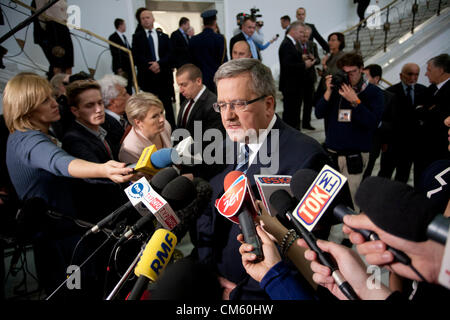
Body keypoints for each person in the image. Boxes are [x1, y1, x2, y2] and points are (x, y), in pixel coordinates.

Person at [195, 58, 329, 300]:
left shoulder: (308, 157)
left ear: (268, 104)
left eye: (238, 104)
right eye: (222, 105)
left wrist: (239, 295)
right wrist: (208, 277)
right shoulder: (222, 149)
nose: (228, 116)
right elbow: (209, 215)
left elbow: (304, 251)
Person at [3, 73, 133, 298]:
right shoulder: (29, 140)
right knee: (75, 293)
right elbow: (59, 162)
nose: (55, 103)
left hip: (68, 239)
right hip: (59, 247)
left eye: (52, 97)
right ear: (26, 108)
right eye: (45, 101)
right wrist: (104, 169)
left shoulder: (39, 132)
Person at [315, 53, 385, 209]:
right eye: (344, 72)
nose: (348, 76)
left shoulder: (373, 92)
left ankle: (350, 232)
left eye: (352, 72)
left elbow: (373, 123)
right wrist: (327, 92)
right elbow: (318, 113)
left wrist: (356, 101)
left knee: (352, 199)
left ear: (361, 69)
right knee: (325, 199)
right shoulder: (336, 90)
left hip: (355, 156)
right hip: (332, 153)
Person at [378, 63, 427, 184]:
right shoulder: (389, 92)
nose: (413, 78)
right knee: (385, 174)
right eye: (410, 74)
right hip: (392, 143)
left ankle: (397, 200)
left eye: (416, 74)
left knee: (403, 176)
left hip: (411, 145)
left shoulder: (423, 91)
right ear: (401, 75)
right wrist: (383, 142)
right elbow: (384, 118)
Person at [132, 9, 176, 128]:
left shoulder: (164, 36)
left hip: (163, 77)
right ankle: (152, 130)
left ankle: (174, 132)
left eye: (148, 17)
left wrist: (159, 64)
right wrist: (150, 65)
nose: (146, 20)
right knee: (149, 108)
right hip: (147, 78)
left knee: (167, 107)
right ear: (140, 21)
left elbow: (170, 54)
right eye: (143, 18)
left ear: (153, 19)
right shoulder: (137, 37)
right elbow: (136, 56)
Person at [415, 54, 450, 186]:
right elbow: (417, 109)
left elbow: (439, 117)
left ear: (440, 70)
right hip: (423, 149)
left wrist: (426, 111)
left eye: (429, 70)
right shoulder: (430, 89)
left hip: (439, 150)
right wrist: (427, 111)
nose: (425, 74)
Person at [361, 64, 395, 180]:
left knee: (365, 177)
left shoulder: (388, 97)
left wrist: (376, 123)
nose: (362, 79)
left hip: (372, 145)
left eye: (365, 76)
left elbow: (391, 124)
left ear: (376, 79)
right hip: (351, 145)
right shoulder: (353, 93)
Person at [119, 92, 172, 165]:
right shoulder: (129, 150)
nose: (162, 119)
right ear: (138, 122)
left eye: (161, 112)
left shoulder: (165, 126)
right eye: (154, 116)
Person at [279, 21, 314, 130]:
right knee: (291, 114)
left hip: (294, 86)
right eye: (300, 32)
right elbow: (287, 65)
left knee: (293, 113)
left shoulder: (290, 43)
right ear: (293, 31)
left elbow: (291, 59)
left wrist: (301, 57)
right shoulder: (287, 44)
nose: (302, 35)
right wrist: (304, 64)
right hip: (291, 86)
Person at [175, 63, 223, 138]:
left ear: (198, 81)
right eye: (179, 85)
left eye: (184, 85)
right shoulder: (186, 101)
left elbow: (212, 137)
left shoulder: (213, 104)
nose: (181, 90)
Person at [32, 0, 74, 79]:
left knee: (68, 65)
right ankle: (55, 88)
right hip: (52, 28)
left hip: (64, 29)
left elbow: (64, 13)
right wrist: (46, 30)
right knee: (57, 65)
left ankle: (66, 89)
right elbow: (39, 14)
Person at [189, 9, 227, 94]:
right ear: (215, 21)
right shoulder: (220, 38)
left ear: (203, 23)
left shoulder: (194, 40)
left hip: (199, 81)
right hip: (216, 81)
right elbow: (223, 62)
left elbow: (191, 63)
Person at [98, 74, 131, 148]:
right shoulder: (105, 125)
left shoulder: (126, 115)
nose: (129, 97)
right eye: (124, 94)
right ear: (113, 102)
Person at [299, 25, 320, 131]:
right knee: (298, 103)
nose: (305, 38)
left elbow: (318, 60)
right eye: (303, 35)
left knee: (308, 103)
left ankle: (306, 123)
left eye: (307, 36)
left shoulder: (313, 45)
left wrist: (314, 59)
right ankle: (296, 124)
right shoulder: (295, 45)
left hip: (310, 78)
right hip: (299, 78)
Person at [315, 32, 346, 103]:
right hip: (325, 89)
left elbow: (335, 74)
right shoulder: (330, 55)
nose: (329, 42)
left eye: (333, 40)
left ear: (340, 42)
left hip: (335, 90)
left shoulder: (342, 56)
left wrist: (324, 65)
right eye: (329, 40)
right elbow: (327, 73)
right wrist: (322, 73)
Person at [108, 18, 133, 95]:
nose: (125, 26)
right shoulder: (113, 37)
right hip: (121, 67)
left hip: (128, 66)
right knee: (122, 88)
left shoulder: (124, 37)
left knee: (129, 87)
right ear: (120, 25)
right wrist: (119, 68)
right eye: (124, 24)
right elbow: (115, 54)